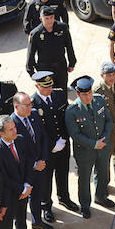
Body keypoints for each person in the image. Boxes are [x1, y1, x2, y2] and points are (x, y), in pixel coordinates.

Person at [0, 115, 42, 229]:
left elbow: (28, 162)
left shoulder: (19, 140)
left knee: (21, 220)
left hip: (24, 190)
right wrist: (21, 189)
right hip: (10, 195)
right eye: (10, 129)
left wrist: (27, 184)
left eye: (14, 127)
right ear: (2, 133)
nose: (15, 131)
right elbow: (3, 179)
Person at [65, 77, 114, 214]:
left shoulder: (99, 100)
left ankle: (101, 196)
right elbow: (75, 135)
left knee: (103, 172)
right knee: (85, 178)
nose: (88, 97)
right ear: (78, 94)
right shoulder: (72, 111)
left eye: (90, 93)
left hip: (103, 146)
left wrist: (104, 137)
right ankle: (85, 205)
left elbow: (108, 120)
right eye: (84, 95)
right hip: (85, 151)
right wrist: (94, 144)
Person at [31, 69, 74, 214]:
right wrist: (51, 146)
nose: (49, 89)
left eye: (50, 85)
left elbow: (67, 119)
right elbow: (36, 132)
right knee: (46, 179)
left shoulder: (60, 95)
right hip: (46, 150)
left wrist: (64, 138)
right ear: (37, 86)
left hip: (63, 144)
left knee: (63, 173)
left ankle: (64, 198)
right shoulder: (33, 104)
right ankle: (46, 206)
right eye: (45, 87)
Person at [11, 88, 53, 229]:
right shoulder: (12, 124)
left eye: (30, 104)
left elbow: (44, 137)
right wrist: (34, 164)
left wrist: (43, 159)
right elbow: (19, 151)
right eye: (26, 105)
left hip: (40, 163)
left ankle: (37, 221)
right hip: (26, 168)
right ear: (17, 107)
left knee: (38, 194)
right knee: (25, 199)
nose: (30, 107)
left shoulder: (34, 115)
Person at [28, 6, 77, 83]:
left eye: (51, 17)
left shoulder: (62, 28)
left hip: (60, 66)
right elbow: (31, 54)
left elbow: (69, 46)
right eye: (47, 18)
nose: (50, 20)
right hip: (45, 68)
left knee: (62, 90)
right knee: (47, 91)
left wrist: (72, 63)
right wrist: (31, 72)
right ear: (41, 19)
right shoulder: (35, 34)